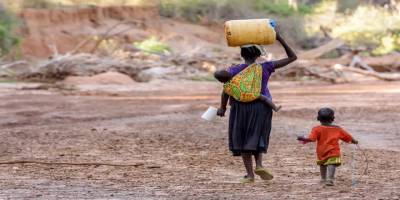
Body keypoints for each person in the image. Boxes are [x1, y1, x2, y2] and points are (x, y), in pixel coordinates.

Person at [217, 32, 297, 183]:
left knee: (242, 138)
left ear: (242, 54)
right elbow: (292, 57)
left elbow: (226, 89)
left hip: (240, 107)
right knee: (257, 135)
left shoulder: (233, 70)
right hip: (262, 106)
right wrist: (279, 38)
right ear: (258, 55)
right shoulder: (265, 67)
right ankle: (259, 164)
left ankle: (250, 175)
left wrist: (222, 108)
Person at [297, 107, 359, 186]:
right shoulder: (338, 129)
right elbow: (347, 137)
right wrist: (354, 141)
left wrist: (303, 138)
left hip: (321, 151)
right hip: (334, 151)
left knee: (322, 164)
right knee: (331, 164)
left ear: (318, 118)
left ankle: (323, 179)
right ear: (333, 118)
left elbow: (312, 139)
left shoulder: (316, 129)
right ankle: (330, 179)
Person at [214, 69, 282, 112]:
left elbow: (228, 95)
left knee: (233, 97)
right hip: (250, 94)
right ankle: (275, 108)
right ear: (229, 74)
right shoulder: (237, 78)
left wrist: (229, 104)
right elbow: (248, 75)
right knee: (264, 98)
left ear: (221, 81)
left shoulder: (226, 87)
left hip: (242, 99)